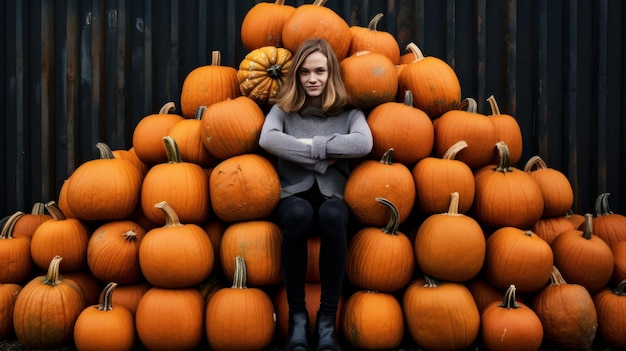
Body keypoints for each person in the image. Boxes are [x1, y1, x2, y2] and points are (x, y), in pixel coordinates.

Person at [259, 38, 373, 351]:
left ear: (330, 73)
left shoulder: (349, 112)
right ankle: (296, 318)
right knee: (298, 215)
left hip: (332, 198)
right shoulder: (284, 110)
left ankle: (326, 322)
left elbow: (362, 144)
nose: (313, 79)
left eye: (320, 71)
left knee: (332, 216)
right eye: (305, 72)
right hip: (293, 196)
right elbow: (268, 140)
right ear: (296, 75)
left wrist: (308, 148)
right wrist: (326, 154)